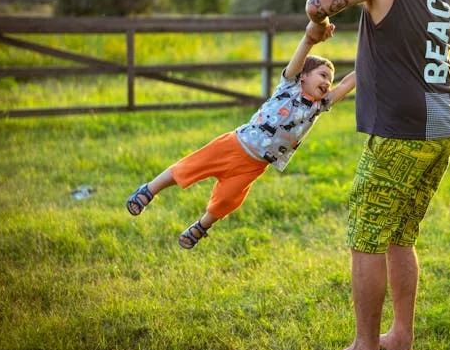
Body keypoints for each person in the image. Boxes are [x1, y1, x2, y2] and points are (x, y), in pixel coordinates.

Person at [305, 0, 450, 350]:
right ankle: (400, 337)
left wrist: (325, 19)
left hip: (401, 127)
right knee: (400, 232)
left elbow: (319, 4)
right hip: (441, 126)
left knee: (366, 232)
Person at [125, 23, 355, 249]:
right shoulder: (289, 86)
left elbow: (347, 83)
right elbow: (301, 54)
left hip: (255, 165)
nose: (327, 82)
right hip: (234, 144)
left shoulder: (320, 105)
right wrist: (309, 39)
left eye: (330, 79)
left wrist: (371, 58)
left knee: (228, 200)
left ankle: (201, 226)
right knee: (189, 167)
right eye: (323, 75)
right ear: (303, 76)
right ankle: (148, 191)